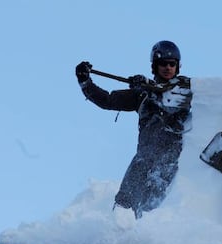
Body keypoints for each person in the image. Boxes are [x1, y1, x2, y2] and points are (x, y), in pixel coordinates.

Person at [75, 40, 192, 219]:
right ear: (154, 66)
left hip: (171, 164)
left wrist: (152, 92)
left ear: (178, 66)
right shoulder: (142, 94)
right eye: (163, 64)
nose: (168, 68)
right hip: (143, 161)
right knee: (124, 208)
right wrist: (85, 83)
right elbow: (107, 100)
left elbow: (179, 116)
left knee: (156, 211)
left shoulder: (187, 93)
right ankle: (117, 242)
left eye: (172, 64)